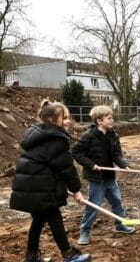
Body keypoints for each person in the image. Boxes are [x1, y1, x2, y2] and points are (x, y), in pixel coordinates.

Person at [10, 100, 91, 262]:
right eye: (65, 117)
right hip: (41, 190)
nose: (68, 120)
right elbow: (66, 168)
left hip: (31, 187)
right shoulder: (55, 139)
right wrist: (76, 190)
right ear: (53, 121)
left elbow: (47, 164)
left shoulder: (38, 135)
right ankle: (69, 256)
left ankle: (31, 257)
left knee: (38, 221)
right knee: (55, 220)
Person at [72, 105, 134, 246]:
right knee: (94, 205)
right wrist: (91, 164)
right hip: (96, 178)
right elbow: (75, 152)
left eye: (112, 118)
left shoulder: (114, 135)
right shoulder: (88, 136)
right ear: (99, 121)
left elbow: (117, 155)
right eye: (109, 118)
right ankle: (85, 231)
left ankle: (120, 224)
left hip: (109, 176)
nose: (112, 120)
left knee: (117, 201)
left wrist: (123, 165)